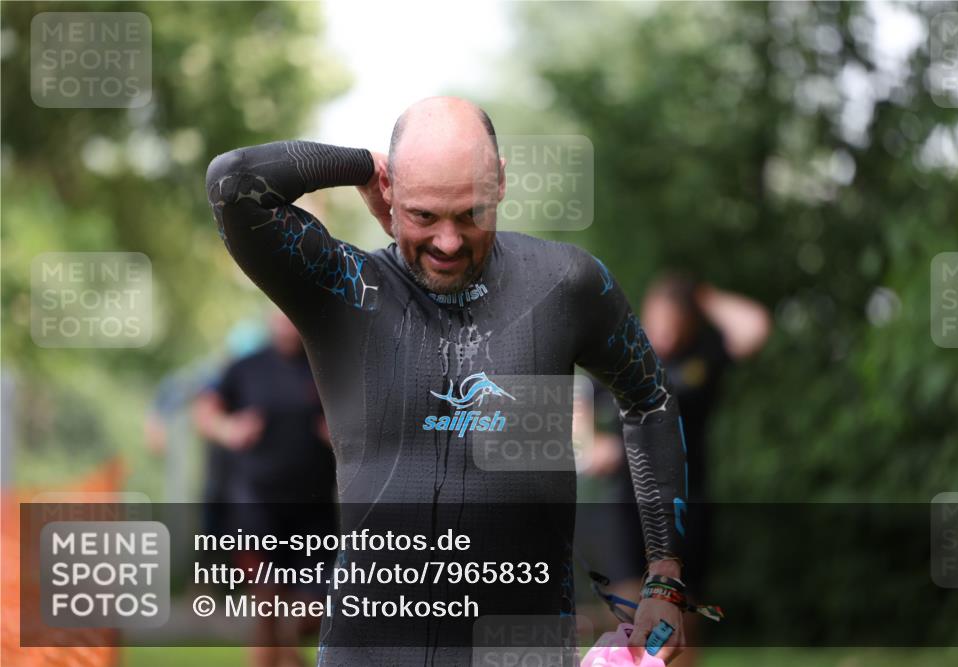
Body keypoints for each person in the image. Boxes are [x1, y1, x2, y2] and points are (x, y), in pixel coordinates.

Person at [205, 97, 688, 666]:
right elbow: (234, 182)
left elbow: (650, 400)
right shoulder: (341, 291)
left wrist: (664, 578)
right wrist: (363, 164)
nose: (449, 242)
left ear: (502, 181)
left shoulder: (565, 285)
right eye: (424, 215)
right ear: (391, 194)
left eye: (470, 213)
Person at [593, 274, 770, 664]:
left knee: (683, 612)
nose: (665, 333)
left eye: (674, 322)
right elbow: (574, 408)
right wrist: (591, 444)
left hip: (687, 507)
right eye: (657, 321)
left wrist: (703, 295)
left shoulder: (700, 360)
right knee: (623, 603)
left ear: (690, 321)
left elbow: (754, 327)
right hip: (627, 507)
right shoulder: (624, 363)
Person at [192, 310, 337, 667]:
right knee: (266, 602)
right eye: (281, 315)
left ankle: (287, 648)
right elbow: (205, 411)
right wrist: (229, 429)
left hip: (314, 510)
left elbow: (360, 419)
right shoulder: (246, 367)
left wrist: (340, 435)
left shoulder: (328, 366)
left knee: (313, 612)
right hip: (254, 504)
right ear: (271, 318)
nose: (288, 321)